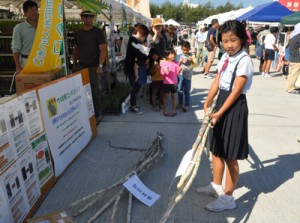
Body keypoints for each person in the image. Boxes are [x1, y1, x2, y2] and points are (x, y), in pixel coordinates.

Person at [196, 20, 254, 212]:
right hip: (221, 101)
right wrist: (207, 102)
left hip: (234, 106)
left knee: (230, 155)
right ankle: (216, 186)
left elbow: (236, 91)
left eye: (233, 40)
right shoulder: (225, 57)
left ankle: (228, 197)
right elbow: (217, 81)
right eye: (225, 41)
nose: (229, 45)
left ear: (242, 39)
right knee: (217, 148)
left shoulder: (244, 60)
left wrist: (220, 112)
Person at [72, 8, 107, 122]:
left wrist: (100, 66)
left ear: (93, 18)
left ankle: (97, 114)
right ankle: (84, 112)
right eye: (86, 16)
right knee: (80, 91)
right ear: (81, 17)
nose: (88, 18)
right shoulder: (78, 33)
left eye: (91, 16)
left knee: (94, 91)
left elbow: (103, 50)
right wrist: (75, 63)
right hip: (81, 66)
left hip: (94, 67)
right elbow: (76, 49)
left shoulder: (98, 32)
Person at [124, 24, 150, 114]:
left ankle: (133, 104)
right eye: (144, 34)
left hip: (134, 66)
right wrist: (146, 57)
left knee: (136, 86)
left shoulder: (135, 40)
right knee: (135, 87)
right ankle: (132, 106)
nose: (144, 37)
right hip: (131, 67)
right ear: (141, 32)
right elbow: (137, 53)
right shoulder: (132, 39)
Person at [11, 0, 38, 74]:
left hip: (42, 61)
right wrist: (18, 66)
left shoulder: (43, 27)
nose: (35, 12)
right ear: (25, 13)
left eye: (36, 9)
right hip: (26, 62)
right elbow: (15, 48)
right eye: (31, 10)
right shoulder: (19, 28)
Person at [160, 49, 181, 117]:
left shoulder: (176, 63)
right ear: (167, 56)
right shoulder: (164, 63)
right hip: (166, 82)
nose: (173, 55)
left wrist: (179, 70)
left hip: (174, 83)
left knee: (174, 97)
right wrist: (164, 72)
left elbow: (177, 73)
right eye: (171, 54)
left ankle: (174, 110)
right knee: (166, 97)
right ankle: (165, 110)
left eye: (174, 54)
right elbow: (161, 74)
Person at [177, 41, 193, 112]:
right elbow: (176, 65)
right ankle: (180, 103)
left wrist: (192, 61)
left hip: (188, 75)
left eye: (187, 50)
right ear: (181, 49)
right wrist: (180, 61)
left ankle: (186, 104)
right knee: (180, 89)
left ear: (189, 49)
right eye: (184, 50)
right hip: (180, 74)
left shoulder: (191, 55)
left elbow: (195, 65)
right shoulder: (179, 55)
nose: (185, 51)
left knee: (187, 90)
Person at [286, 23, 300, 94]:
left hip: (292, 57)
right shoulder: (298, 37)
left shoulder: (292, 36)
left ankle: (289, 87)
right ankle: (291, 89)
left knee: (291, 73)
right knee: (294, 73)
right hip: (297, 58)